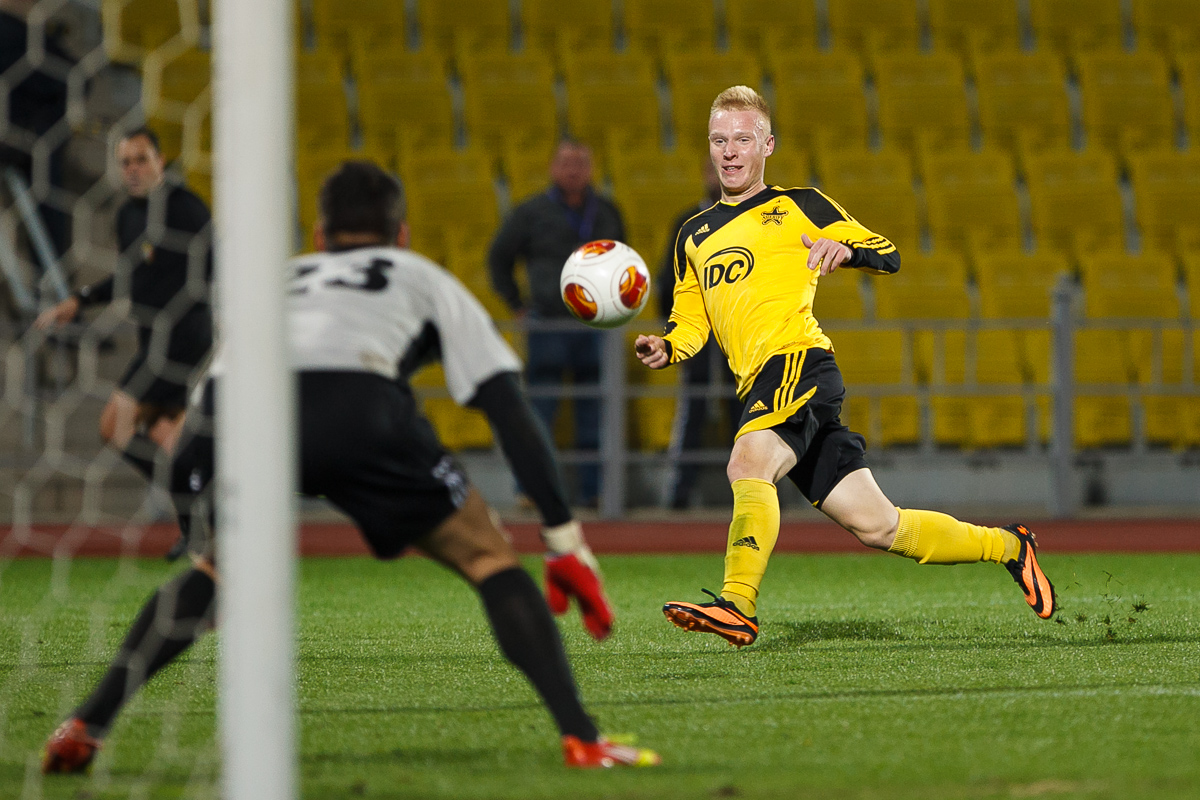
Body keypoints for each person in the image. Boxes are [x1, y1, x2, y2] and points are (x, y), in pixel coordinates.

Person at [42, 161, 656, 774]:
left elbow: (208, 400)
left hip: (239, 416)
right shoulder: (421, 276)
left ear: (319, 236)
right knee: (487, 554)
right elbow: (507, 407)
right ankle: (582, 738)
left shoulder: (280, 281)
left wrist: (199, 517)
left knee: (217, 570)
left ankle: (86, 724)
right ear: (401, 236)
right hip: (358, 408)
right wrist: (562, 539)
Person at [634, 86, 1056, 648]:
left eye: (742, 139)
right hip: (761, 381)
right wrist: (668, 347)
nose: (730, 152)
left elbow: (889, 253)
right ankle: (1010, 546)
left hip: (798, 363)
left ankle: (737, 604)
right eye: (719, 140)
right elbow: (691, 322)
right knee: (880, 525)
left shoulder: (802, 205)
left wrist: (848, 251)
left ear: (767, 145)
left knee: (748, 461)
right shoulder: (693, 234)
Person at [35, 127, 213, 521]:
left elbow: (217, 263)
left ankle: (202, 505)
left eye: (141, 160)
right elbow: (129, 277)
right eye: (125, 162)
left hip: (183, 338)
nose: (133, 169)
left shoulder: (185, 208)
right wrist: (81, 300)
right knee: (166, 435)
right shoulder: (127, 215)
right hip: (153, 340)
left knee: (114, 426)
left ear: (160, 161)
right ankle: (198, 523)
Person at [488, 139, 626, 508]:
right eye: (566, 163)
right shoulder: (531, 212)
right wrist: (518, 306)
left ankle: (594, 492)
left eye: (580, 163)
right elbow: (498, 258)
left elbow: (625, 262)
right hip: (548, 324)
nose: (573, 170)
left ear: (591, 169)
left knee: (593, 411)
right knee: (539, 412)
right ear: (552, 168)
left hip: (595, 325)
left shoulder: (606, 212)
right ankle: (531, 491)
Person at [656, 159, 738, 509]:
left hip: (741, 333)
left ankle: (755, 495)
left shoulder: (755, 220)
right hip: (698, 333)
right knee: (692, 409)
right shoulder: (687, 222)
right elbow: (667, 281)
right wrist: (676, 331)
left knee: (748, 412)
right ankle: (679, 494)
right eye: (714, 169)